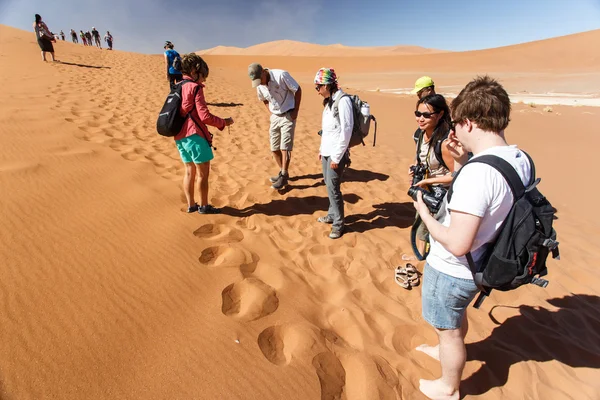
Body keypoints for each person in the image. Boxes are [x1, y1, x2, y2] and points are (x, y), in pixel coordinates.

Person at [413, 76, 532, 400]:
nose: (452, 129)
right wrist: (463, 162)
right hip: (482, 263)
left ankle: (448, 387)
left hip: (454, 268)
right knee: (455, 318)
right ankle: (445, 350)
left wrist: (424, 214)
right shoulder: (518, 158)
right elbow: (493, 200)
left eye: (456, 122)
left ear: (469, 121)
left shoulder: (479, 175)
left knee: (447, 329)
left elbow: (457, 242)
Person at [174, 54, 234, 214]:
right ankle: (204, 206)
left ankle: (191, 205)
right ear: (195, 71)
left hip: (180, 137)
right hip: (195, 136)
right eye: (203, 77)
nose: (203, 81)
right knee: (202, 174)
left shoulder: (178, 85)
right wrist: (224, 122)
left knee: (188, 171)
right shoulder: (195, 87)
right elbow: (205, 116)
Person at [409, 94, 454, 255]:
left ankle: (423, 256)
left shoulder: (445, 142)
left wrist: (429, 180)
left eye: (426, 115)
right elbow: (420, 156)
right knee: (421, 221)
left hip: (441, 193)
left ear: (440, 114)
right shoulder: (422, 134)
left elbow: (457, 174)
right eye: (418, 114)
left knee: (429, 225)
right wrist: (415, 167)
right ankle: (421, 254)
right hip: (427, 188)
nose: (420, 119)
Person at [248, 63, 302, 190]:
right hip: (275, 116)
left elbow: (297, 89)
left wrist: (296, 111)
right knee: (274, 148)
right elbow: (264, 100)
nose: (259, 84)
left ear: (263, 72)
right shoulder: (259, 85)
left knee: (285, 147)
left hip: (288, 114)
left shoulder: (281, 75)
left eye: (259, 80)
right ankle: (283, 172)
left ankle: (283, 175)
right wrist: (271, 112)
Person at [314, 68, 352, 239]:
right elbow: (328, 130)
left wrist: (337, 157)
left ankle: (338, 224)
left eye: (319, 87)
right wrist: (322, 150)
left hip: (337, 154)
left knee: (333, 188)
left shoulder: (343, 101)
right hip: (327, 151)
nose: (318, 91)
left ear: (328, 85)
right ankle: (331, 215)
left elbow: (346, 130)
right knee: (328, 186)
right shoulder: (329, 102)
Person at [411, 76, 436, 143]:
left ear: (429, 90)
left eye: (420, 92)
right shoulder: (421, 104)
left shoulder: (440, 104)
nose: (418, 95)